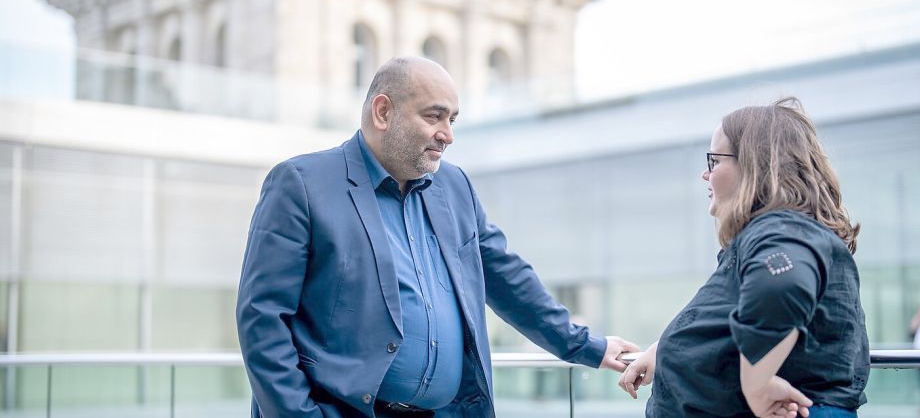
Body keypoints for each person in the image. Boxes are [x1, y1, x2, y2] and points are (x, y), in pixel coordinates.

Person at [237, 56, 637, 418]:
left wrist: (589, 346)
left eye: (453, 120)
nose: (447, 134)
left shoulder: (455, 186)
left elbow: (509, 280)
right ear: (383, 112)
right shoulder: (301, 184)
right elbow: (262, 320)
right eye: (434, 116)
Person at [618, 97, 869, 418]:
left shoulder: (783, 232)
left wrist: (758, 384)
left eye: (714, 161)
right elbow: (742, 319)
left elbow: (781, 283)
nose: (705, 175)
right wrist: (666, 348)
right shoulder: (781, 234)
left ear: (756, 165)